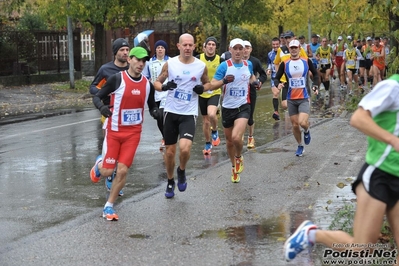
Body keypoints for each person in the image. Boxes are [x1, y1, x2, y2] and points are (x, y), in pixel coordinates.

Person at [284, 74, 399, 264]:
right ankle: (311, 234)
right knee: (362, 249)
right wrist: (392, 140)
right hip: (381, 173)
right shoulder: (392, 87)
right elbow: (358, 118)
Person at [90, 47, 160, 220]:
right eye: (138, 60)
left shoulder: (146, 84)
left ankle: (109, 206)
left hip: (133, 134)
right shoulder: (116, 79)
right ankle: (100, 165)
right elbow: (97, 96)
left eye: (144, 61)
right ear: (130, 60)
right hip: (114, 131)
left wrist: (155, 112)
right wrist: (102, 107)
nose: (141, 64)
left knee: (122, 171)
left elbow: (152, 106)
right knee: (107, 172)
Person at [153, 33, 211, 199]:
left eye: (190, 45)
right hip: (171, 112)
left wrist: (203, 88)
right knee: (170, 152)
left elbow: (207, 83)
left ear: (194, 47)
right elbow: (156, 83)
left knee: (185, 148)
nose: (187, 48)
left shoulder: (201, 66)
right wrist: (164, 87)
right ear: (178, 46)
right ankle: (170, 180)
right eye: (184, 45)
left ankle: (182, 170)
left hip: (188, 113)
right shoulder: (170, 64)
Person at [210, 38, 260, 183]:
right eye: (235, 49)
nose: (238, 51)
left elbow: (250, 76)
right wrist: (224, 81)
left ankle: (239, 157)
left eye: (241, 49)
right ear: (230, 50)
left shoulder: (248, 64)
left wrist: (254, 82)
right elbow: (213, 85)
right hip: (227, 107)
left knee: (237, 138)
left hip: (243, 106)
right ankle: (234, 166)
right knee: (230, 141)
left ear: (244, 50)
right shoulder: (224, 66)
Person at [89, 38, 130, 197]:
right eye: (122, 50)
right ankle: (105, 169)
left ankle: (109, 173)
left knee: (122, 153)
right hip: (109, 112)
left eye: (127, 50)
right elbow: (94, 86)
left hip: (126, 115)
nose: (125, 53)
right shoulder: (106, 69)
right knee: (112, 149)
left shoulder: (131, 68)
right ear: (115, 52)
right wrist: (102, 93)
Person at [273, 40, 319, 157]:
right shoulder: (285, 63)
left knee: (302, 122)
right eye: (291, 48)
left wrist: (315, 85)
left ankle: (307, 131)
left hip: (304, 97)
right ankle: (300, 145)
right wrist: (278, 84)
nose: (293, 50)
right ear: (289, 49)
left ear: (299, 48)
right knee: (294, 125)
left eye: (295, 48)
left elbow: (316, 74)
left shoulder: (306, 61)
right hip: (291, 98)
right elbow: (276, 77)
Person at [196, 37, 223, 155]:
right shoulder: (198, 59)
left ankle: (215, 130)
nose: (211, 46)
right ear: (205, 46)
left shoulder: (220, 60)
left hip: (214, 92)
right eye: (209, 44)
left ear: (215, 47)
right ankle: (207, 143)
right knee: (206, 121)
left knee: (212, 114)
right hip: (202, 93)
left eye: (213, 44)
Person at [273, 31, 308, 117]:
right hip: (285, 82)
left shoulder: (300, 49)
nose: (288, 40)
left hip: (299, 81)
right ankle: (294, 109)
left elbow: (306, 61)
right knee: (284, 105)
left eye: (289, 38)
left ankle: (299, 110)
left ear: (294, 38)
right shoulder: (280, 50)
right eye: (286, 38)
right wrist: (279, 74)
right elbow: (276, 62)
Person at [243, 40, 267, 149]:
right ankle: (240, 134)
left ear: (251, 50)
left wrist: (260, 81)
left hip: (251, 91)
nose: (245, 50)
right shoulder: (234, 61)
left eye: (248, 47)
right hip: (238, 92)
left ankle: (251, 137)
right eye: (243, 47)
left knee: (249, 116)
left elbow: (263, 74)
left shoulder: (254, 61)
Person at [146, 39, 170, 150]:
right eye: (158, 48)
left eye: (162, 48)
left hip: (167, 93)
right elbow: (145, 77)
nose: (160, 49)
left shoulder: (170, 61)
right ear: (155, 50)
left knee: (163, 114)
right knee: (158, 117)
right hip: (155, 93)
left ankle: (167, 138)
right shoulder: (150, 63)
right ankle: (165, 136)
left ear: (165, 50)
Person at [315, 37, 334, 104]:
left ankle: (326, 91)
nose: (324, 42)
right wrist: (317, 58)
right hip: (321, 65)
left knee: (327, 77)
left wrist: (333, 58)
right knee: (323, 79)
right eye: (323, 41)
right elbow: (316, 55)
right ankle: (325, 89)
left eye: (325, 41)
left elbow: (333, 54)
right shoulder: (319, 49)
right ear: (321, 42)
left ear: (327, 42)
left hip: (328, 65)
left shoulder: (330, 48)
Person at [267, 37, 281, 120]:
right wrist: (268, 69)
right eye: (273, 44)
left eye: (277, 44)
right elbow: (269, 63)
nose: (275, 46)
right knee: (275, 93)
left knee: (284, 102)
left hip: (283, 77)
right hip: (274, 77)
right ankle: (276, 112)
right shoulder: (270, 54)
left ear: (279, 44)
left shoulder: (283, 52)